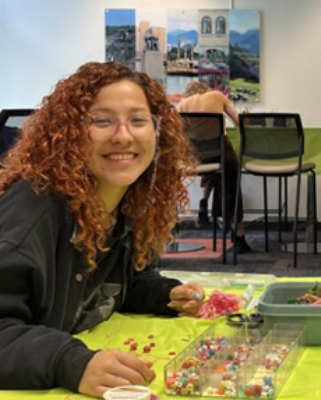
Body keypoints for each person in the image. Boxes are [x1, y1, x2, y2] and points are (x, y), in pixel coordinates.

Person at [0, 62, 207, 398]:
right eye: (101, 120)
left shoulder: (122, 203)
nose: (123, 135)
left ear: (158, 133)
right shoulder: (34, 210)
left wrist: (163, 294)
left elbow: (118, 282)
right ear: (68, 133)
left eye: (138, 120)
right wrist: (70, 362)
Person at [177, 81, 252, 254]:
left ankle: (206, 205)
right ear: (206, 89)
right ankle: (238, 234)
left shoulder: (183, 103)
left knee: (215, 169)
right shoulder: (217, 96)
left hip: (195, 157)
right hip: (219, 154)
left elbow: (179, 132)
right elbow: (238, 120)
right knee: (231, 176)